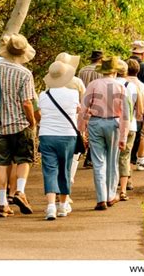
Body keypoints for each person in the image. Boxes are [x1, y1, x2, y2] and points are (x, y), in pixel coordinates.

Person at [0, 34, 37, 217]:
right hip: (19, 124)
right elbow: (27, 102)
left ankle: (2, 204)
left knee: (2, 163)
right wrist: (32, 123)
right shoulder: (24, 73)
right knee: (23, 159)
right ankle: (19, 191)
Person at [78, 56, 129, 210]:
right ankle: (110, 195)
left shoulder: (93, 84)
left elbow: (83, 107)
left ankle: (101, 198)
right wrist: (123, 136)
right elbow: (126, 114)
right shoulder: (121, 87)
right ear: (115, 71)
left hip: (95, 122)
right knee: (113, 160)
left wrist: (81, 129)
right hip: (113, 123)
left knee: (98, 161)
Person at [39, 61, 79, 220]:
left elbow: (41, 112)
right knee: (65, 169)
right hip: (68, 135)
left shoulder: (43, 95)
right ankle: (62, 205)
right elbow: (77, 110)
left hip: (47, 134)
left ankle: (50, 206)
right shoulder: (73, 94)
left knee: (49, 170)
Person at [55, 52, 85, 206]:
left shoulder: (50, 81)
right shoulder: (77, 82)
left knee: (57, 158)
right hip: (72, 124)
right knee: (73, 157)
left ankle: (57, 188)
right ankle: (66, 188)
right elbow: (83, 104)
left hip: (53, 124)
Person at [129, 41, 144, 170]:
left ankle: (127, 159)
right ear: (143, 53)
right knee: (142, 132)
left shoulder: (124, 64)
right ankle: (140, 159)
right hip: (140, 103)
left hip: (124, 102)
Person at [115, 59, 137, 200]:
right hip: (130, 124)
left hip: (113, 124)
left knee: (111, 157)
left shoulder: (109, 84)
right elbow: (137, 106)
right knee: (125, 157)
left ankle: (110, 189)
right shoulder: (132, 86)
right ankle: (123, 189)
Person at [78, 50, 103, 169]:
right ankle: (89, 158)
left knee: (84, 130)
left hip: (83, 101)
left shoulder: (82, 70)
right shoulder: (101, 71)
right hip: (96, 103)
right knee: (94, 132)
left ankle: (81, 156)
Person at [125, 59, 144, 171]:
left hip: (121, 117)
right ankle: (138, 160)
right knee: (139, 138)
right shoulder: (140, 84)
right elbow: (142, 102)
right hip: (136, 118)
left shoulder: (120, 82)